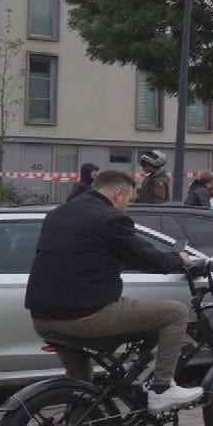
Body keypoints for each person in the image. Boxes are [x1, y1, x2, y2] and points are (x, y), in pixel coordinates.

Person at [25, 170, 199, 413]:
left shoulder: (58, 213)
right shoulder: (109, 218)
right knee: (175, 312)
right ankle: (162, 390)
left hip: (43, 318)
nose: (128, 206)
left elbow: (83, 254)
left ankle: (79, 425)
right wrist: (179, 259)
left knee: (81, 386)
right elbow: (148, 258)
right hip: (85, 317)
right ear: (118, 194)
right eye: (129, 199)